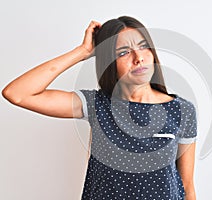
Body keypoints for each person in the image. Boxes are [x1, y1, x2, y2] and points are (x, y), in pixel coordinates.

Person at [2, 16, 197, 200]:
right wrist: (82, 52)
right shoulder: (97, 104)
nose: (138, 57)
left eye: (143, 46)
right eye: (124, 52)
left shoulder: (182, 110)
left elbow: (187, 185)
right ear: (109, 62)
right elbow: (18, 94)